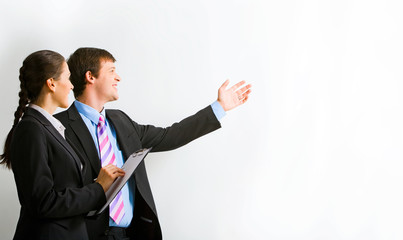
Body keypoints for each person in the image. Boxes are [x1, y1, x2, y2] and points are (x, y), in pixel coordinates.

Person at [55, 47, 252, 240]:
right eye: (111, 71)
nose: (118, 78)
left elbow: (170, 135)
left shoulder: (121, 121)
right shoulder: (57, 127)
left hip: (129, 234)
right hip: (82, 234)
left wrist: (219, 108)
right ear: (91, 77)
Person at [0, 50, 126, 240]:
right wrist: (98, 188)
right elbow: (44, 203)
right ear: (51, 83)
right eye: (68, 78)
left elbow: (62, 186)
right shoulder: (31, 129)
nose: (71, 86)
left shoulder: (51, 127)